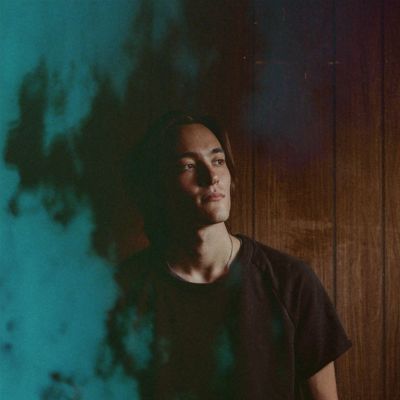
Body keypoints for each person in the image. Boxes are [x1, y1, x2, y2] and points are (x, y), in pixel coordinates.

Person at [106, 111, 352, 399]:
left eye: (218, 161)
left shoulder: (290, 282)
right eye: (188, 165)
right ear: (158, 187)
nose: (211, 176)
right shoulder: (121, 292)